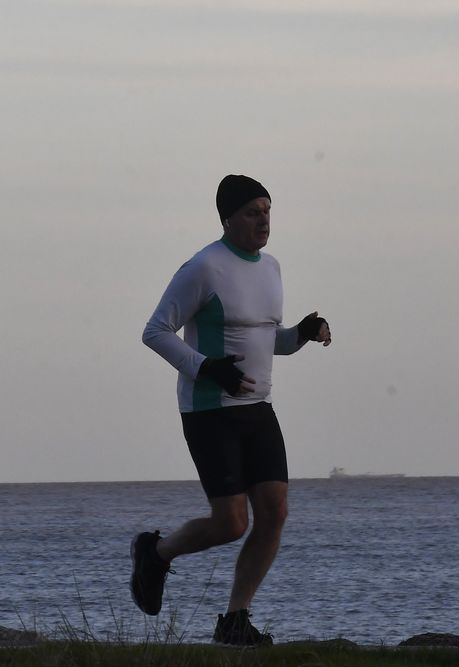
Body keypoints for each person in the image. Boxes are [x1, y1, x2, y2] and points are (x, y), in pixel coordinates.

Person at [133, 174, 331, 646]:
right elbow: (156, 331)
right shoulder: (203, 267)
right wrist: (205, 368)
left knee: (275, 512)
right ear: (228, 218)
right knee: (231, 523)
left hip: (258, 408)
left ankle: (235, 619)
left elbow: (271, 342)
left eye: (267, 210)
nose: (263, 219)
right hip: (210, 410)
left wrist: (303, 332)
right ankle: (156, 553)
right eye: (251, 211)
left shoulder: (272, 269)